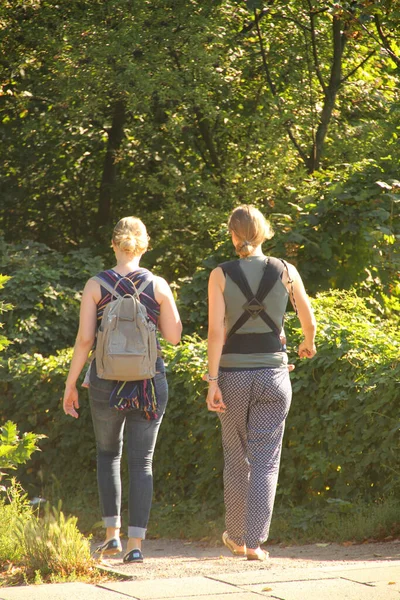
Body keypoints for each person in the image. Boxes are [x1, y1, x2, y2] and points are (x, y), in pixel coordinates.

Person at [63, 216, 182, 563]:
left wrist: (71, 383)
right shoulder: (158, 285)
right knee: (142, 462)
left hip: (105, 383)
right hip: (148, 383)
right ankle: (136, 546)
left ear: (114, 244)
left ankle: (111, 536)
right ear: (144, 245)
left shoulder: (95, 285)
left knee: (107, 456)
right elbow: (173, 338)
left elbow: (86, 339)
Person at [206, 205, 316, 561]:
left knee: (237, 458)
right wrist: (306, 344)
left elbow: (215, 331)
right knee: (266, 460)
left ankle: (237, 538)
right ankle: (254, 543)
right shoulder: (287, 270)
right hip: (273, 376)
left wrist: (212, 381)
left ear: (233, 235)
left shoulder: (220, 275)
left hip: (233, 376)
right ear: (265, 231)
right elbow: (307, 319)